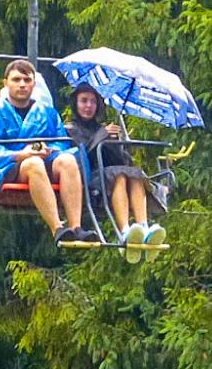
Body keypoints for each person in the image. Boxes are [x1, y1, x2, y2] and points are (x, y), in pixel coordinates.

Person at [0, 59, 97, 244]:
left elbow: (61, 142)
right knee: (33, 163)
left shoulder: (47, 113)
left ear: (33, 84)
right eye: (16, 80)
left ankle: (76, 227)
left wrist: (47, 150)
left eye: (27, 80)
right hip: (6, 169)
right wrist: (20, 155)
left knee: (68, 160)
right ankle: (58, 228)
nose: (22, 85)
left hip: (44, 162)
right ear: (5, 83)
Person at [65, 84, 168, 258]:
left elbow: (121, 162)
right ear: (76, 103)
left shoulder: (102, 128)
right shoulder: (71, 129)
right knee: (118, 175)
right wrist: (101, 136)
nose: (88, 106)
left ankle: (143, 226)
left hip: (108, 175)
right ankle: (124, 230)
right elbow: (83, 155)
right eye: (84, 101)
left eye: (93, 102)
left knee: (135, 174)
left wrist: (116, 143)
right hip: (89, 178)